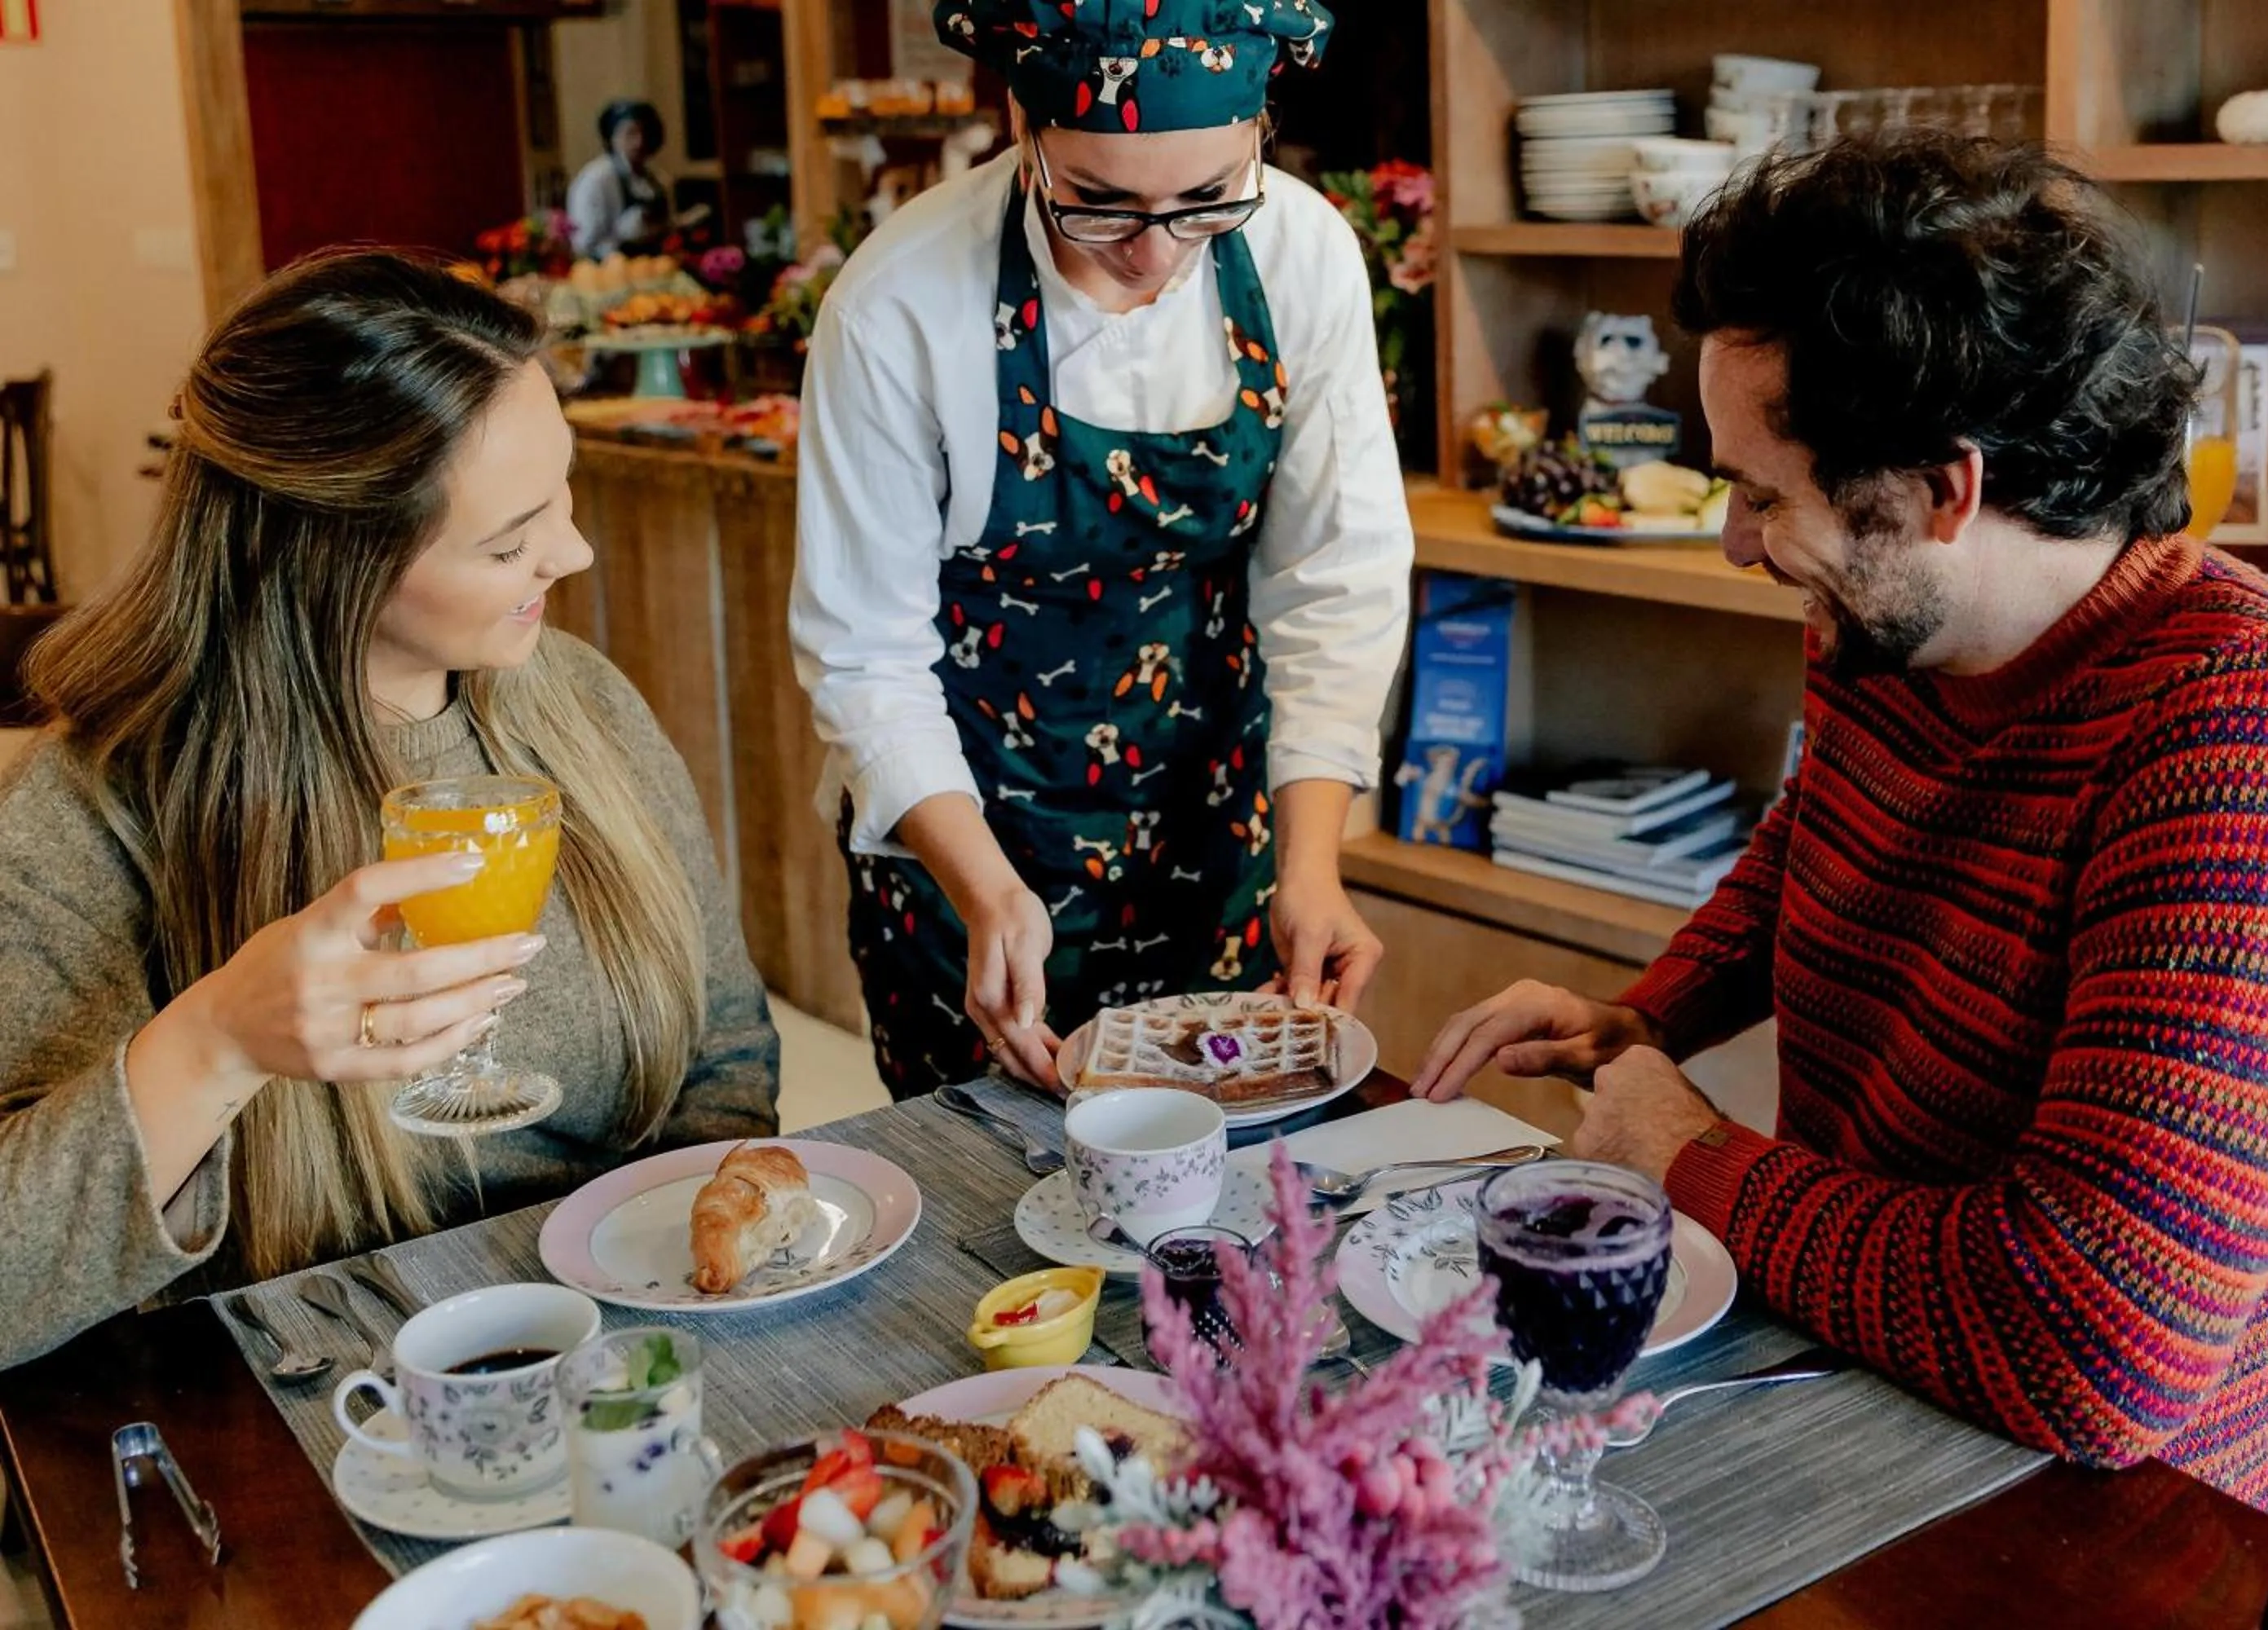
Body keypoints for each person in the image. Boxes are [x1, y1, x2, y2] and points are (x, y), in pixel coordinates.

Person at [1414, 134, 2268, 1541]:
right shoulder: (1888, 623)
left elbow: (2091, 1354)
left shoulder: (2258, 742)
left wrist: (1687, 1153)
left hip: (2121, 1536)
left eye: (1766, 496)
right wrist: (1649, 1012)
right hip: (1850, 1395)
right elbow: (1818, 838)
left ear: (1945, 488)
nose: (1736, 545)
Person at [0, 250, 779, 1369]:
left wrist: (678, 1285)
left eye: (561, 496)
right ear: (339, 555)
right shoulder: (94, 808)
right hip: (319, 1391)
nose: (573, 552)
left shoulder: (585, 707)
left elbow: (727, 1049)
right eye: (509, 540)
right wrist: (215, 1041)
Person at [791, 0, 1410, 1098]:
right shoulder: (900, 301)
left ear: (1259, 133)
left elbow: (1334, 579)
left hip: (1215, 826)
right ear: (1023, 133)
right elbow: (865, 653)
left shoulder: (1303, 253)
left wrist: (1312, 868)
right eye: (1099, 202)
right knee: (984, 1172)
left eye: (1208, 199)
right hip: (971, 837)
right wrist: (985, 892)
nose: (1154, 251)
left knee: (1229, 1153)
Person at [567, 99, 673, 261]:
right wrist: (625, 234)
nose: (639, 142)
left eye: (645, 133)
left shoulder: (656, 179)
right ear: (612, 137)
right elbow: (585, 244)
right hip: (609, 268)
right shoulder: (597, 179)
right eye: (631, 134)